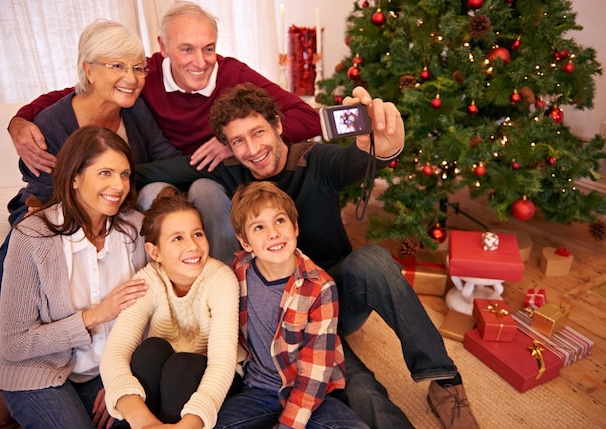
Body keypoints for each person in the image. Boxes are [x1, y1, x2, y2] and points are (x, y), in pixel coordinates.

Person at [134, 83, 480, 429]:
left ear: (279, 126)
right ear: (227, 146)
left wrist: (384, 150)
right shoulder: (227, 169)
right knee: (360, 392)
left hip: (330, 296)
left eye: (258, 133)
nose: (252, 149)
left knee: (371, 261)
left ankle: (445, 381)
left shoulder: (316, 159)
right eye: (238, 141)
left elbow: (356, 160)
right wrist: (110, 178)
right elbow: (159, 171)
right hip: (277, 315)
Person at [6, 1, 321, 263]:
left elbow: (308, 117)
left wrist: (235, 143)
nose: (200, 62)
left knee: (204, 191)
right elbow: (81, 93)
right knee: (148, 189)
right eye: (186, 49)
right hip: (169, 172)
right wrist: (19, 121)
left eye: (208, 48)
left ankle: (228, 286)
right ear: (163, 47)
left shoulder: (232, 74)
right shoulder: (144, 75)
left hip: (217, 175)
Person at [0, 20, 181, 429]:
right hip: (48, 206)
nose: (131, 78)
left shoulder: (136, 111)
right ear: (89, 70)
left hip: (112, 216)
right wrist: (96, 314)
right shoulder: (53, 123)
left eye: (138, 67)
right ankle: (8, 395)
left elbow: (162, 158)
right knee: (20, 248)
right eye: (117, 66)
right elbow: (46, 188)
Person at [0, 126, 149, 429]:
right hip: (37, 370)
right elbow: (13, 345)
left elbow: (152, 317)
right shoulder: (31, 236)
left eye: (125, 174)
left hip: (108, 370)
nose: (118, 185)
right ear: (75, 177)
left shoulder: (136, 230)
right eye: (105, 173)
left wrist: (121, 378)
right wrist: (94, 316)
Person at [215, 181, 368, 429]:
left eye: (279, 221)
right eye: (259, 227)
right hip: (258, 390)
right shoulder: (238, 271)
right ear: (245, 242)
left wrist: (289, 424)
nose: (273, 233)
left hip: (311, 392)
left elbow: (315, 371)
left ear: (295, 227)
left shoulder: (320, 287)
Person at [100, 192, 240, 429]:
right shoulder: (149, 279)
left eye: (197, 234)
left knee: (181, 366)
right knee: (151, 350)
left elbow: (222, 363)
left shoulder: (221, 279)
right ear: (155, 253)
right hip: (162, 378)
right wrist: (143, 422)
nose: (193, 246)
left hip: (212, 378)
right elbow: (115, 352)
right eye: (177, 238)